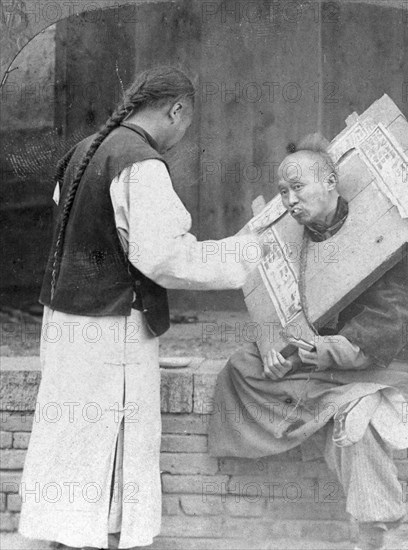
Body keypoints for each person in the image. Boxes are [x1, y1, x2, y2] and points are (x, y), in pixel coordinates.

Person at [18, 66, 261, 550]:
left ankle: (66, 536)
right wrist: (244, 253)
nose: (182, 135)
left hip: (66, 321)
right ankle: (101, 538)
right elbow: (163, 257)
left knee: (71, 434)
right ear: (176, 110)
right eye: (185, 123)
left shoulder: (82, 152)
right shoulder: (140, 162)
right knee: (114, 433)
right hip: (110, 327)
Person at [208, 134, 408, 550]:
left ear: (332, 181)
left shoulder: (390, 240)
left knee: (359, 413)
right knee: (241, 367)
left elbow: (394, 319)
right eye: (283, 192)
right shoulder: (296, 238)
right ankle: (338, 400)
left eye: (297, 188)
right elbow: (279, 307)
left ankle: (376, 529)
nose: (288, 201)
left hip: (384, 358)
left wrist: (324, 351)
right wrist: (273, 347)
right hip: (328, 364)